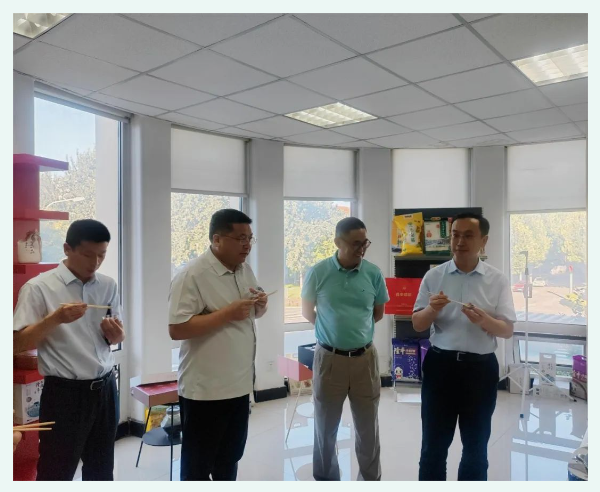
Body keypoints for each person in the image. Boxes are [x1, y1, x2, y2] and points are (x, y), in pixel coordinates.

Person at [13, 219, 124, 481]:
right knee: (56, 471)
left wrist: (117, 335)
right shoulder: (39, 287)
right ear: (67, 249)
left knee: (102, 469)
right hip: (65, 394)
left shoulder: (108, 285)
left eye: (101, 255)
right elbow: (16, 344)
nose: (95, 262)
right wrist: (55, 319)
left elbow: (117, 335)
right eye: (87, 254)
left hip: (106, 387)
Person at [412, 213, 516, 481]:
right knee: (433, 447)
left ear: (484, 241)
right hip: (440, 367)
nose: (460, 242)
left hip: (480, 371)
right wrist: (432, 310)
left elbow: (506, 330)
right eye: (455, 235)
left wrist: (485, 320)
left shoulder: (497, 280)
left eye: (468, 235)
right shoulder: (434, 276)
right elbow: (418, 324)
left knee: (476, 448)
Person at [169, 209, 268, 481]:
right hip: (206, 391)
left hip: (239, 386)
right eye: (240, 238)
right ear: (217, 239)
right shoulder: (192, 275)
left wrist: (260, 306)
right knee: (198, 468)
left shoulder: (244, 270)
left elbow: (250, 314)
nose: (247, 245)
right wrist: (226, 314)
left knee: (229, 461)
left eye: (250, 238)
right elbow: (176, 329)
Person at [301, 217, 389, 481]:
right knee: (325, 427)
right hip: (329, 359)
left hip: (365, 359)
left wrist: (353, 331)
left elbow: (378, 313)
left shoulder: (373, 273)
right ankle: (327, 479)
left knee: (368, 427)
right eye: (355, 243)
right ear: (338, 242)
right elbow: (307, 312)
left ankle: (370, 480)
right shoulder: (318, 272)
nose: (361, 249)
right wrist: (332, 331)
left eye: (365, 243)